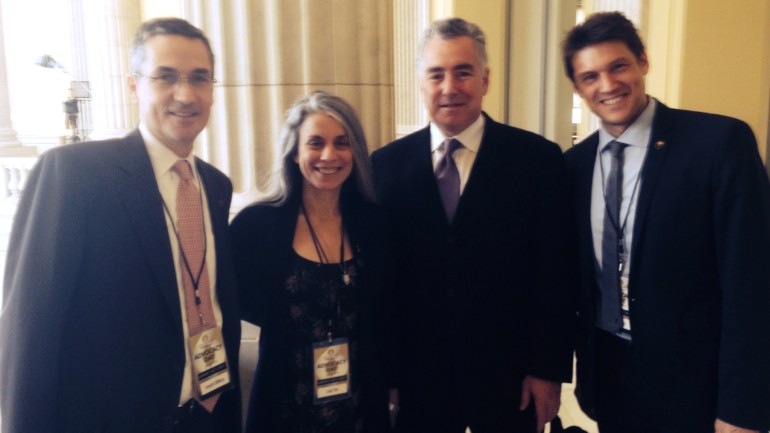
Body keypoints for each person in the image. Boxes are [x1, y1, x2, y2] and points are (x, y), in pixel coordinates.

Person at [0, 18, 241, 433]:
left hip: (206, 416)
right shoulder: (74, 175)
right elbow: (29, 332)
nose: (185, 94)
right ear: (133, 86)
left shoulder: (216, 186)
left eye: (199, 78)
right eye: (166, 77)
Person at [562, 11, 770, 433]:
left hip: (696, 388)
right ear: (577, 87)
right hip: (610, 380)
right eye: (590, 76)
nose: (607, 85)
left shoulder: (718, 144)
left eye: (618, 65)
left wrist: (743, 406)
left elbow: (751, 283)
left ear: (643, 61)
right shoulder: (573, 166)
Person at [371, 17, 577, 433]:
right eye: (436, 74)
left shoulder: (537, 161)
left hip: (511, 377)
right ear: (421, 83)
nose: (450, 87)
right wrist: (386, 374)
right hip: (418, 379)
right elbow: (382, 283)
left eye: (463, 72)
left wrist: (547, 370)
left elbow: (556, 274)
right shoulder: (383, 168)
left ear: (485, 80)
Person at [231, 91, 394, 433]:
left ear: (356, 152)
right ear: (294, 153)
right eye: (315, 143)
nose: (328, 156)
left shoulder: (374, 224)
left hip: (359, 403)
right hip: (285, 403)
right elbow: (240, 302)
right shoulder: (256, 226)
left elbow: (387, 309)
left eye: (341, 143)